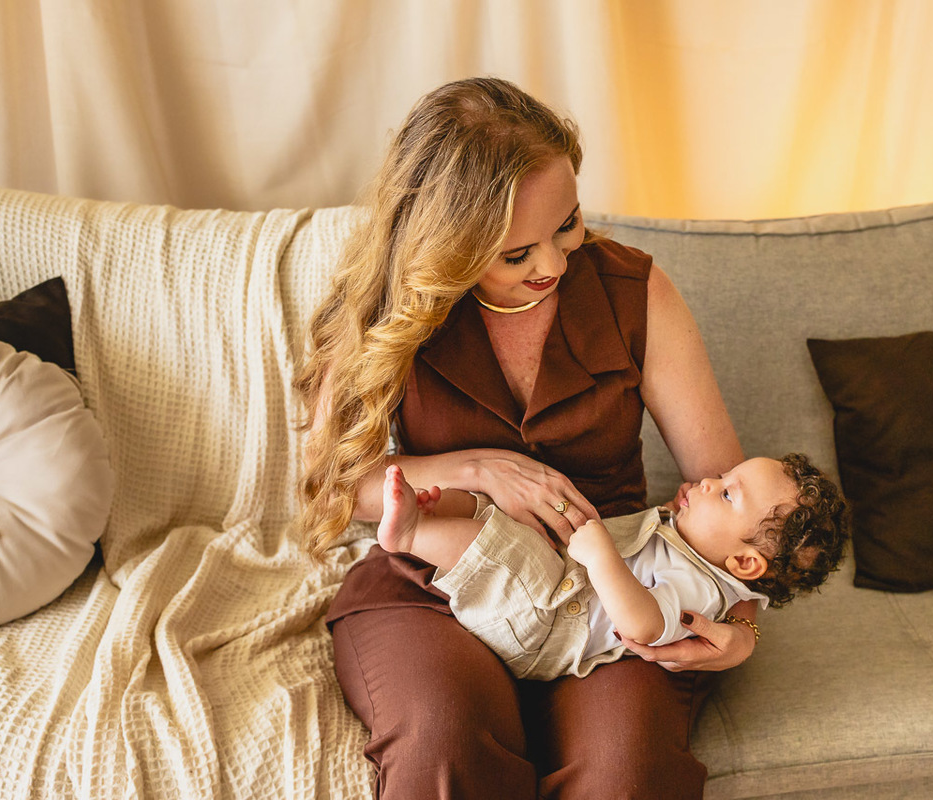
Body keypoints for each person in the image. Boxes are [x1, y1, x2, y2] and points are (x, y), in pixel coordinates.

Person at [298, 76, 759, 799]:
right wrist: (477, 469)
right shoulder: (385, 308)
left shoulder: (635, 290)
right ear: (443, 243)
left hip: (613, 599)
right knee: (443, 744)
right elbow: (333, 485)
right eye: (516, 255)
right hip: (437, 585)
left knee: (627, 773)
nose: (554, 265)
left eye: (568, 224)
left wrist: (740, 632)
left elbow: (733, 489)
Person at [375, 454, 850, 681]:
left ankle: (410, 534)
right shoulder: (694, 544)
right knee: (488, 516)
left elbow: (645, 625)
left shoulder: (702, 589)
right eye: (723, 476)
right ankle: (437, 511)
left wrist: (602, 555)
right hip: (553, 589)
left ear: (744, 561)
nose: (707, 481)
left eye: (726, 493)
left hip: (547, 628)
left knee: (501, 549)